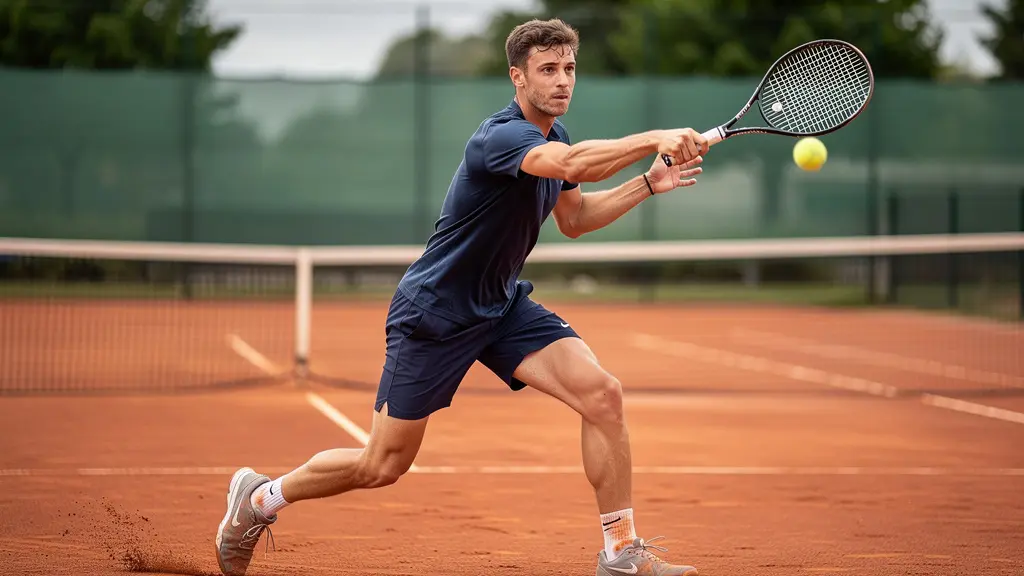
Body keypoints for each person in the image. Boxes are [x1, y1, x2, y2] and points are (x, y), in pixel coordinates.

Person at [215, 17, 707, 576]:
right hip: (435, 312)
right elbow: (571, 167)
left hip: (500, 307)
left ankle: (621, 556)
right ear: (517, 77)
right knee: (382, 465)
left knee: (603, 395)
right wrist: (653, 137)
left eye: (569, 68)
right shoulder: (499, 137)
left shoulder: (559, 135)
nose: (562, 80)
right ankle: (259, 499)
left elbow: (574, 218)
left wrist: (646, 181)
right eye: (548, 69)